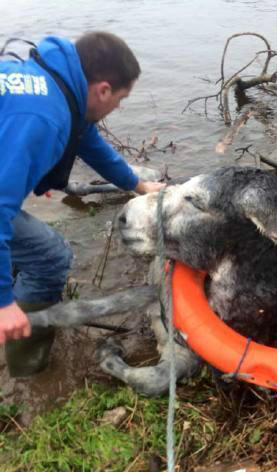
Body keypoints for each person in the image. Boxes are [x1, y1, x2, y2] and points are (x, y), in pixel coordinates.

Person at [0, 32, 164, 376]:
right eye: (119, 100)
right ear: (103, 89)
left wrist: (138, 184)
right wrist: (4, 303)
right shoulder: (43, 116)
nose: (117, 108)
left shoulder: (56, 84)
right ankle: (27, 367)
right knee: (50, 257)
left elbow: (92, 146)